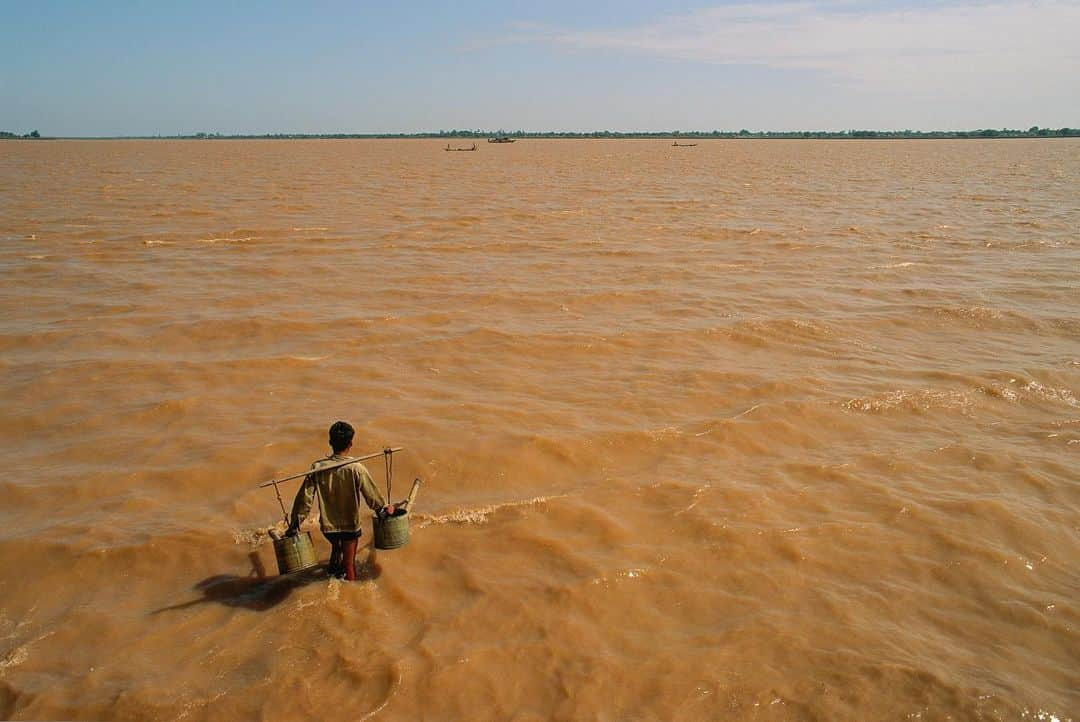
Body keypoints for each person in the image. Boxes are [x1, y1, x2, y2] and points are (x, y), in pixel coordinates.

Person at [286, 421, 395, 580]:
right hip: (349, 527)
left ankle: (332, 573)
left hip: (328, 528)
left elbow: (304, 499)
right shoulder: (356, 468)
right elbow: (371, 496)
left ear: (330, 442)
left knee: (336, 548)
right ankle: (349, 594)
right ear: (351, 443)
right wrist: (384, 509)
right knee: (349, 565)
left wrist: (295, 524)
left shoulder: (317, 467)